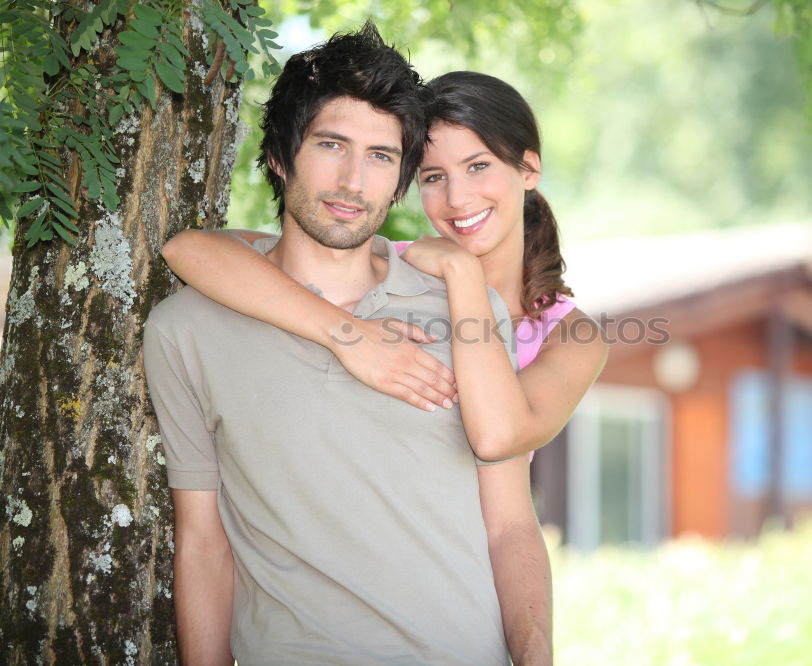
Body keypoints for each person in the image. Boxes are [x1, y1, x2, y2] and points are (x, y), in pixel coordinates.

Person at [144, 23, 553, 665]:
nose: (353, 180)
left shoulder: (465, 310)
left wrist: (535, 658)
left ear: (400, 182)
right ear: (281, 156)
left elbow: (510, 526)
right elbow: (203, 544)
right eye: (331, 144)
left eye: (382, 157)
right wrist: (349, 336)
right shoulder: (187, 330)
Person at [161, 71, 609, 465]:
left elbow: (498, 438)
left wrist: (463, 275)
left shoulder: (573, 337)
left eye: (478, 166)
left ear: (528, 169)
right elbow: (193, 251)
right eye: (433, 177)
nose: (457, 198)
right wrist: (348, 336)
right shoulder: (380, 260)